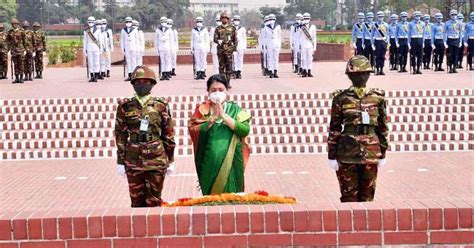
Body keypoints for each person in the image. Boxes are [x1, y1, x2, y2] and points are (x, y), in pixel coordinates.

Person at [327, 55, 388, 203]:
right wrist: (331, 155)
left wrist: (383, 153)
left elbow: (382, 128)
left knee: (368, 197)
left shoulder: (377, 97)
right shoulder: (341, 98)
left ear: (369, 74)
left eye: (364, 73)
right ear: (349, 76)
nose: (360, 77)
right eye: (356, 74)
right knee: (348, 198)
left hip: (371, 152)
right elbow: (334, 128)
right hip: (347, 153)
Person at [114, 65, 176, 207]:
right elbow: (120, 135)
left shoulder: (160, 105)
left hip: (156, 159)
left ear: (152, 84)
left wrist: (171, 159)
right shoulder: (125, 106)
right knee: (136, 202)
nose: (142, 85)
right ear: (133, 84)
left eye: (146, 82)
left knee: (154, 201)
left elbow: (168, 133)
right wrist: (120, 161)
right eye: (138, 82)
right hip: (133, 160)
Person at [188, 74, 251, 195]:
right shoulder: (202, 110)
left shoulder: (236, 109)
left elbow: (244, 130)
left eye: (221, 90)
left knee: (233, 196)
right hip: (209, 161)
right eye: (213, 90)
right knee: (211, 198)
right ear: (208, 91)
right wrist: (212, 119)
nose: (217, 93)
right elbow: (193, 129)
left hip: (232, 160)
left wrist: (224, 117)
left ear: (227, 91)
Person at [214, 12, 237, 85]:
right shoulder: (218, 28)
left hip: (229, 50)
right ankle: (222, 82)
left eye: (226, 18)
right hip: (221, 50)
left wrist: (234, 49)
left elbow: (235, 39)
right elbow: (214, 38)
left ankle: (228, 82)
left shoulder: (232, 28)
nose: (224, 20)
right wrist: (218, 41)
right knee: (221, 67)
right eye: (223, 18)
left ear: (228, 19)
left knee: (229, 67)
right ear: (221, 19)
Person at [7, 18, 26, 84]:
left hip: (21, 50)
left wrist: (26, 49)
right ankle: (16, 78)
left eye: (15, 24)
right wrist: (8, 50)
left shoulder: (21, 31)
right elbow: (8, 42)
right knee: (15, 64)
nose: (14, 25)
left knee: (21, 64)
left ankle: (21, 78)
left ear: (18, 24)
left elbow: (25, 41)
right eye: (13, 24)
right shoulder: (10, 32)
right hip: (14, 50)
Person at [83, 17, 102, 82]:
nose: (90, 23)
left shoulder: (98, 30)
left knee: (96, 62)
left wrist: (101, 49)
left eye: (91, 22)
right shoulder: (86, 30)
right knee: (90, 62)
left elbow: (100, 40)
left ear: (94, 22)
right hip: (89, 47)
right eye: (89, 22)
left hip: (96, 47)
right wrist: (84, 49)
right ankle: (91, 76)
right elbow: (85, 40)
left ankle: (96, 76)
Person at [121, 17, 140, 81]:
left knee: (134, 61)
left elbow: (137, 40)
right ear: (125, 22)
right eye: (127, 22)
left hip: (134, 47)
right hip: (127, 48)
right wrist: (122, 48)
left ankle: (134, 75)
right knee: (128, 62)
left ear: (131, 22)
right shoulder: (123, 30)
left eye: (129, 22)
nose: (128, 23)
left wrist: (138, 49)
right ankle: (129, 75)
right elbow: (122, 40)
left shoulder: (134, 30)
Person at [263, 14, 281, 78]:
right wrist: (265, 45)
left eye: (273, 19)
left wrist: (279, 45)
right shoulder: (266, 27)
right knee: (270, 58)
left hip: (276, 44)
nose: (271, 20)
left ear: (275, 19)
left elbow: (279, 36)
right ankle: (270, 71)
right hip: (269, 43)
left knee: (276, 58)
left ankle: (275, 71)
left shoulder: (278, 26)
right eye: (270, 19)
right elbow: (264, 37)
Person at [154, 17, 173, 81]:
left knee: (167, 60)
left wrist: (171, 49)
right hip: (161, 48)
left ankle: (167, 73)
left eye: (164, 21)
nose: (163, 23)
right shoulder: (157, 30)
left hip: (168, 47)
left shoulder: (169, 30)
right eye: (162, 21)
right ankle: (163, 73)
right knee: (162, 61)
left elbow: (171, 41)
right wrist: (156, 49)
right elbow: (156, 41)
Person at [299, 12, 317, 77]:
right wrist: (300, 45)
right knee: (303, 58)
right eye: (305, 18)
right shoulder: (301, 27)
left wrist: (314, 46)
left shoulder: (313, 26)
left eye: (307, 18)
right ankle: (304, 71)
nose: (306, 19)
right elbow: (299, 36)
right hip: (303, 44)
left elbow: (314, 37)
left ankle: (309, 71)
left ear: (310, 18)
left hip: (310, 44)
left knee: (310, 58)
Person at [371, 11, 388, 75]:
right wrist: (372, 43)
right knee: (377, 56)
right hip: (377, 41)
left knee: (383, 56)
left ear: (383, 17)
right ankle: (377, 69)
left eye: (381, 17)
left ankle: (381, 69)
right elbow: (372, 35)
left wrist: (387, 41)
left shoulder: (386, 25)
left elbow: (387, 34)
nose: (380, 18)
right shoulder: (374, 25)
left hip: (383, 41)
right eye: (379, 17)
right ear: (377, 17)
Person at [232, 15, 246, 79]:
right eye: (235, 20)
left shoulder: (242, 28)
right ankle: (234, 71)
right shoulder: (230, 28)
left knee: (240, 59)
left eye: (237, 20)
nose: (236, 21)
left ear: (239, 21)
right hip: (233, 46)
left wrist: (244, 46)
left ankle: (239, 71)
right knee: (234, 59)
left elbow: (244, 38)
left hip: (240, 46)